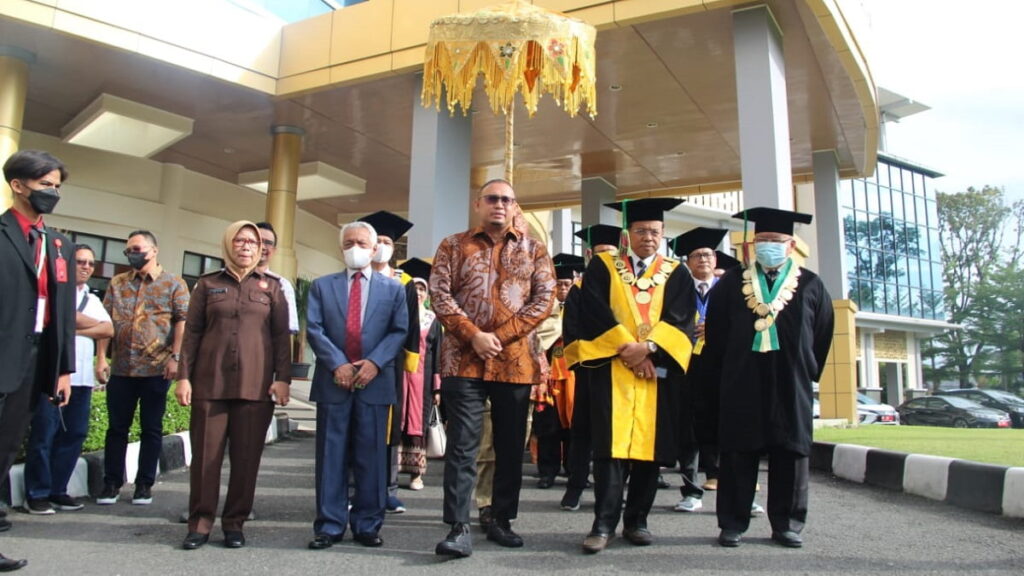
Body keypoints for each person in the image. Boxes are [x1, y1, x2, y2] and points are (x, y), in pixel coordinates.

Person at [430, 179, 555, 558]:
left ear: (515, 206)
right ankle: (458, 525)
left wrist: (498, 336)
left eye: (507, 200)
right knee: (463, 447)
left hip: (514, 364)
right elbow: (439, 293)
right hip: (462, 360)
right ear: (478, 204)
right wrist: (473, 336)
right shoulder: (453, 245)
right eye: (492, 199)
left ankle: (501, 518)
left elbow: (544, 299)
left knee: (508, 446)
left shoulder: (535, 250)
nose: (499, 205)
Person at [567, 198, 696, 554]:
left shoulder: (677, 271)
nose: (648, 238)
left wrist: (650, 349)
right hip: (613, 370)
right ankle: (602, 524)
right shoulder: (604, 266)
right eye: (641, 231)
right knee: (609, 449)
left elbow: (682, 318)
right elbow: (594, 311)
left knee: (649, 452)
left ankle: (637, 521)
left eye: (654, 232)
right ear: (627, 235)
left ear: (663, 234)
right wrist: (631, 350)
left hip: (658, 373)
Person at [702, 207, 834, 549]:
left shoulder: (811, 285)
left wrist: (805, 368)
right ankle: (733, 523)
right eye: (762, 241)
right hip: (741, 381)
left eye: (775, 241)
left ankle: (787, 524)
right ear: (751, 244)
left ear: (790, 245)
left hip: (790, 383)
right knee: (737, 453)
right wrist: (723, 375)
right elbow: (716, 335)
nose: (768, 247)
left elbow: (822, 334)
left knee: (790, 452)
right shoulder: (731, 283)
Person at [174, 221, 291, 550]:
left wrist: (282, 379)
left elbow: (282, 338)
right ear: (228, 244)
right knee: (205, 459)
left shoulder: (273, 287)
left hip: (255, 389)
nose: (246, 247)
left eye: (253, 242)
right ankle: (199, 523)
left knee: (246, 460)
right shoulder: (207, 284)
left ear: (260, 249)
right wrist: (183, 377)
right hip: (210, 386)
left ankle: (234, 522)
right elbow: (192, 334)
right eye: (239, 240)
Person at [306, 221, 409, 550]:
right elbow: (315, 328)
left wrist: (374, 363)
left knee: (372, 455)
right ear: (341, 248)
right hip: (333, 380)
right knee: (330, 455)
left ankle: (368, 523)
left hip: (374, 382)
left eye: (362, 243)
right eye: (349, 243)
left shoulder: (393, 289)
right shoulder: (322, 286)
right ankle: (329, 524)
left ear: (373, 248)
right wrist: (337, 363)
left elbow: (399, 331)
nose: (356, 248)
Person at [0, 149, 75, 573]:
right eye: (45, 185)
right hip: (3, 354)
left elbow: (61, 314)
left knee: (8, 446)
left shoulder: (58, 243)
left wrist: (62, 369)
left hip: (34, 363)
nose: (53, 193)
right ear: (18, 185)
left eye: (57, 186)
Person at [95, 230, 189, 505]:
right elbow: (105, 323)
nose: (132, 254)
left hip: (156, 369)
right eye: (128, 251)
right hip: (122, 369)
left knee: (151, 429)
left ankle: (144, 484)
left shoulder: (173, 284)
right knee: (116, 429)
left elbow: (182, 322)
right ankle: (111, 482)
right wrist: (102, 357)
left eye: (137, 249)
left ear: (153, 250)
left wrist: (176, 358)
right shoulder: (118, 283)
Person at [23, 243, 113, 515]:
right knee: (44, 434)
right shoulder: (53, 292)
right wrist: (86, 326)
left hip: (82, 379)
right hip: (53, 376)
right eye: (80, 262)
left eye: (90, 263)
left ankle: (58, 490)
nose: (85, 267)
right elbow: (55, 319)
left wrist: (72, 327)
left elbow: (108, 328)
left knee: (74, 434)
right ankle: (36, 493)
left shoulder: (93, 298)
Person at [357, 210, 418, 514]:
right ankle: (355, 487)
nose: (381, 246)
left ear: (394, 247)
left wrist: (409, 364)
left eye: (387, 241)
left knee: (388, 429)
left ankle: (388, 488)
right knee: (358, 427)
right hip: (357, 360)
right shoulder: (356, 277)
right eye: (376, 240)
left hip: (390, 366)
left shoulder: (403, 281)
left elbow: (411, 325)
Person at [560, 224, 621, 512]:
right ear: (588, 255)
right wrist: (586, 359)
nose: (605, 259)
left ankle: (612, 491)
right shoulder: (578, 290)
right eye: (599, 254)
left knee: (614, 433)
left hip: (621, 370)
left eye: (610, 253)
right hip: (589, 370)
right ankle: (575, 486)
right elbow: (570, 331)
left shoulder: (625, 288)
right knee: (582, 430)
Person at [534, 254, 586, 489]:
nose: (563, 288)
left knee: (576, 425)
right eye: (558, 284)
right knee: (548, 426)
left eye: (567, 283)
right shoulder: (544, 311)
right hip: (549, 378)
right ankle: (547, 471)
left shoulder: (582, 307)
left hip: (575, 375)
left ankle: (575, 470)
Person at [395, 257, 442, 491]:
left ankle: (416, 475)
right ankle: (391, 472)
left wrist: (436, 387)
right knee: (395, 422)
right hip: (397, 377)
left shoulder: (432, 320)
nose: (419, 293)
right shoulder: (397, 315)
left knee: (417, 423)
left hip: (421, 380)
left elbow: (438, 354)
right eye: (414, 288)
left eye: (422, 288)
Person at [254, 222, 299, 334]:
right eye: (258, 241)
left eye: (268, 243)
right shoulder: (224, 278)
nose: (263, 247)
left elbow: (285, 332)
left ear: (274, 251)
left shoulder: (282, 285)